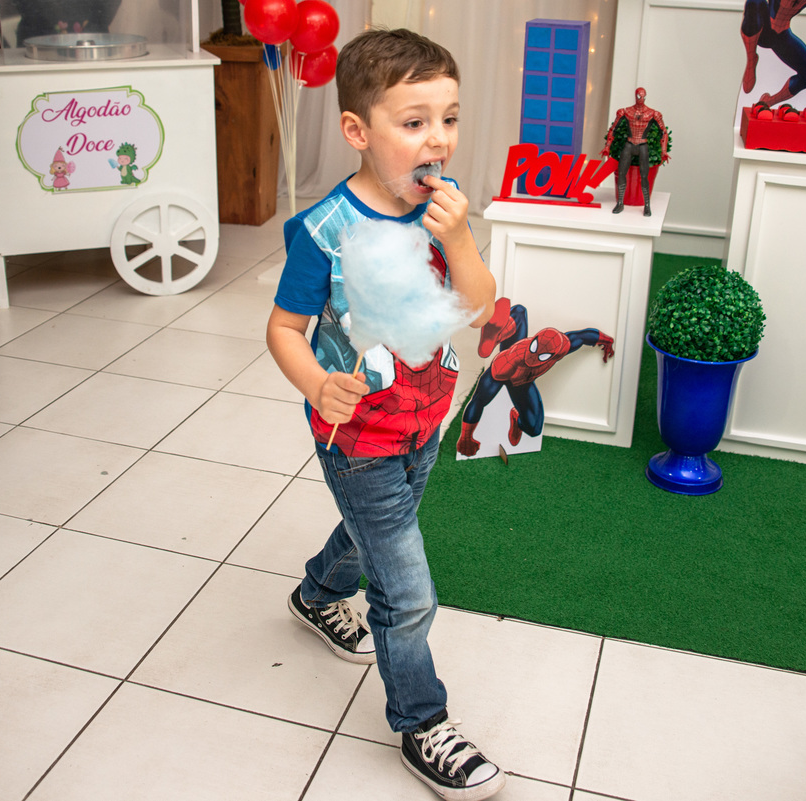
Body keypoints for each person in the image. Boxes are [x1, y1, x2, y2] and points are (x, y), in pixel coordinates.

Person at [265, 28, 504, 801]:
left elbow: (477, 305)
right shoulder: (323, 232)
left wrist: (461, 237)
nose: (438, 139)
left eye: (450, 118)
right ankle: (422, 722)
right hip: (357, 434)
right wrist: (314, 383)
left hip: (426, 416)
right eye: (414, 122)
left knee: (374, 532)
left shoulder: (439, 210)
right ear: (357, 131)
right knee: (407, 590)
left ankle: (314, 593)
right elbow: (282, 330)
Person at [456, 298, 615, 456]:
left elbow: (585, 336)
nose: (534, 357)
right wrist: (466, 438)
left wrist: (608, 341)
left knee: (534, 429)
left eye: (543, 355)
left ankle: (517, 419)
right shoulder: (507, 363)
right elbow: (478, 400)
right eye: (535, 348)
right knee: (518, 311)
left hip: (524, 381)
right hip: (508, 374)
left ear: (556, 354)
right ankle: (502, 329)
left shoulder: (564, 345)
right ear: (534, 340)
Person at [602, 87, 669, 216]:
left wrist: (663, 151)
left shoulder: (652, 113)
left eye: (643, 96)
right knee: (621, 173)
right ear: (635, 96)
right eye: (639, 96)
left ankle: (647, 205)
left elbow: (663, 132)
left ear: (646, 96)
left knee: (644, 176)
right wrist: (607, 146)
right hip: (629, 143)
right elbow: (613, 129)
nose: (641, 99)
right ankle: (620, 202)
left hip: (643, 145)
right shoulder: (626, 112)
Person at [740, 0, 806, 108]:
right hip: (763, 30)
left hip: (782, 37)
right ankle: (752, 58)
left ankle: (768, 102)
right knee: (754, 2)